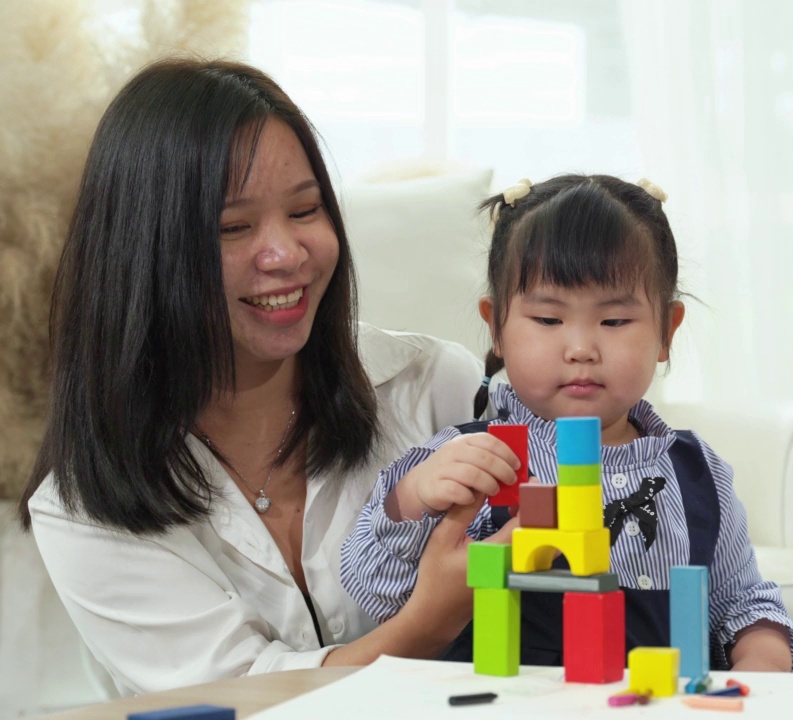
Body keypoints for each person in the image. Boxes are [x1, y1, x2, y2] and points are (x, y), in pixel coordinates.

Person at [20, 58, 488, 696]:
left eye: (305, 210)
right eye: (233, 227)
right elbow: (238, 696)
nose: (286, 255)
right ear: (144, 252)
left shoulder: (434, 387)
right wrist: (429, 622)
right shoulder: (85, 508)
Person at [340, 174, 793, 672]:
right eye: (548, 320)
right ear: (496, 326)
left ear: (665, 333)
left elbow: (741, 602)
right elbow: (377, 597)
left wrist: (764, 660)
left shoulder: (697, 472)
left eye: (614, 322)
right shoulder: (471, 461)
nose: (582, 348)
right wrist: (411, 500)